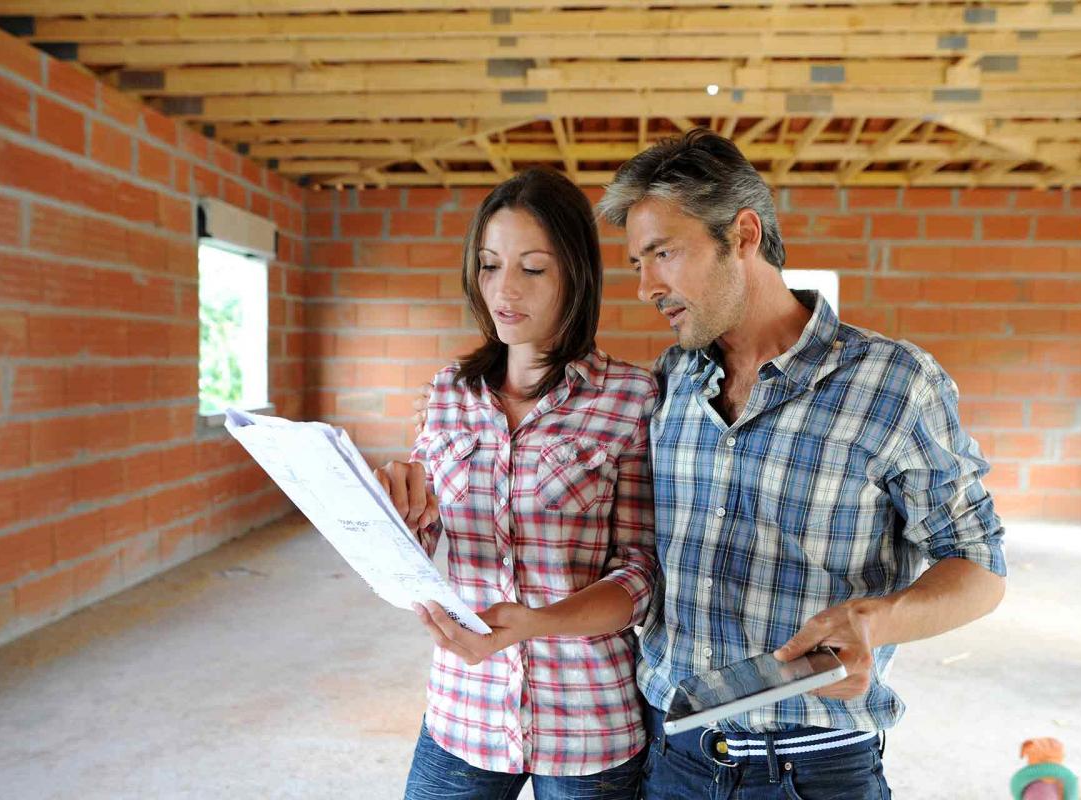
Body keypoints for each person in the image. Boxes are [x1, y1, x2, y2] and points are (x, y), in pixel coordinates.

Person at [591, 129, 1008, 798]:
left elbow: (981, 566)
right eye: (639, 262)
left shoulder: (894, 383)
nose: (645, 286)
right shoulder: (665, 384)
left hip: (814, 771)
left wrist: (878, 621)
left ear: (745, 234)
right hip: (672, 760)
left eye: (663, 254)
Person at [374, 167, 658, 800]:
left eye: (532, 268)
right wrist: (398, 518)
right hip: (463, 708)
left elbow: (641, 575)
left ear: (575, 275)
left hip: (587, 720)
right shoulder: (448, 393)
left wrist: (538, 622)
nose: (505, 290)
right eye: (488, 264)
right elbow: (427, 543)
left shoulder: (631, 398)